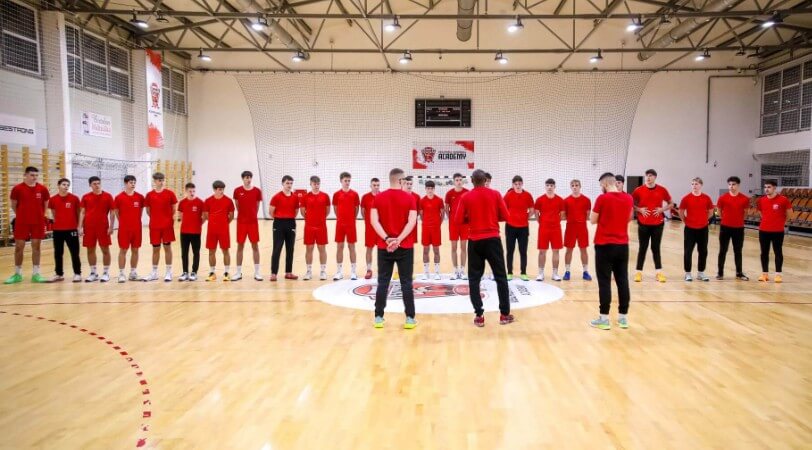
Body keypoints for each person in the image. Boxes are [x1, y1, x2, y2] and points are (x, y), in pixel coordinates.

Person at [455, 169, 514, 327]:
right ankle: (504, 315)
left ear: (472, 181)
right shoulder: (495, 194)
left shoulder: (465, 197)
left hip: (475, 241)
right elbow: (506, 216)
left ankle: (479, 316)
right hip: (493, 240)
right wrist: (493, 216)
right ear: (485, 180)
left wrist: (470, 218)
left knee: (474, 279)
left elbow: (457, 220)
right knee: (501, 277)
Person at [370, 168, 418, 329]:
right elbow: (411, 222)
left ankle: (378, 317)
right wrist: (399, 240)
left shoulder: (378, 198)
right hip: (405, 247)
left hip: (384, 247)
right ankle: (410, 318)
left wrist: (387, 239)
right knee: (406, 282)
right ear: (400, 181)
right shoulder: (410, 198)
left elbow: (374, 221)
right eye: (404, 180)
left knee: (383, 281)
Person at [589, 172, 634, 330]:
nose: (601, 188)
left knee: (604, 282)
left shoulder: (602, 198)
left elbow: (592, 220)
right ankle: (623, 318)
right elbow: (629, 217)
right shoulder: (628, 198)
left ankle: (604, 319)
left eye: (601, 185)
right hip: (622, 245)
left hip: (604, 244)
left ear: (605, 184)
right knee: (623, 281)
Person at [4, 166, 50, 284]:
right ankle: (17, 274)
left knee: (36, 247)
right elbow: (13, 205)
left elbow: (45, 204)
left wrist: (40, 215)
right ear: (25, 175)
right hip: (22, 222)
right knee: (19, 247)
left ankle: (36, 274)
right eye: (32, 175)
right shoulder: (17, 189)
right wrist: (21, 215)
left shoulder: (43, 189)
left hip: (38, 222)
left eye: (36, 175)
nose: (34, 177)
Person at [631, 169, 673, 283]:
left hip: (658, 224)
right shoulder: (638, 190)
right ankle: (638, 272)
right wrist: (639, 209)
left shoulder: (662, 190)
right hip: (643, 223)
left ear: (655, 177)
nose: (648, 178)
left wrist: (662, 209)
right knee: (642, 248)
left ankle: (659, 273)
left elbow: (671, 203)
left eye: (650, 176)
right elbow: (631, 203)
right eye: (646, 176)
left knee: (656, 248)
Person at [79, 176, 115, 282]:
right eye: (94, 184)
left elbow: (112, 212)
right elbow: (82, 212)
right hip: (89, 227)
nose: (97, 185)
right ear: (90, 185)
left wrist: (111, 226)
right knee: (90, 249)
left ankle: (106, 273)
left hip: (103, 227)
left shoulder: (108, 196)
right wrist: (80, 227)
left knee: (105, 249)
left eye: (98, 183)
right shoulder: (85, 197)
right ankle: (93, 273)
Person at [679, 177, 715, 282]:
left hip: (703, 229)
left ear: (701, 185)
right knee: (688, 251)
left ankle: (701, 273)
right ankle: (688, 273)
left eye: (696, 184)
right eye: (693, 184)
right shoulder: (686, 198)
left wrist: (704, 220)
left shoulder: (706, 198)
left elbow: (711, 212)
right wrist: (686, 221)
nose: (694, 186)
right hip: (690, 229)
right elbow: (681, 212)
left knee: (703, 251)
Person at [144, 172, 178, 282]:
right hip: (154, 226)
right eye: (159, 180)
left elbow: (174, 208)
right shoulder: (149, 195)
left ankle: (168, 272)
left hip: (167, 226)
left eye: (163, 180)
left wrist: (167, 219)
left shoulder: (170, 193)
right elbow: (148, 211)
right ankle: (154, 272)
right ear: (155, 181)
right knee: (155, 249)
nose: (161, 182)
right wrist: (156, 219)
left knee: (167, 248)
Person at [756, 180, 791, 283]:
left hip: (777, 231)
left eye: (769, 187)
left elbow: (789, 213)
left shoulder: (783, 200)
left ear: (774, 188)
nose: (766, 189)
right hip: (763, 231)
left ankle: (778, 274)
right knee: (764, 253)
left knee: (778, 252)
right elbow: (761, 212)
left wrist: (782, 222)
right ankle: (764, 274)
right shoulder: (761, 200)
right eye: (765, 187)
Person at [47, 178, 81, 282]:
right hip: (58, 230)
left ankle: (77, 273)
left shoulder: (74, 198)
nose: (66, 187)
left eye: (67, 185)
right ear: (58, 185)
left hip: (72, 229)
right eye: (64, 184)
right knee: (58, 253)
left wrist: (79, 227)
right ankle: (59, 274)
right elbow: (54, 213)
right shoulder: (53, 199)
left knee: (74, 252)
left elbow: (79, 213)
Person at [716, 176, 750, 281]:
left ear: (738, 185)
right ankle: (720, 273)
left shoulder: (745, 199)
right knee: (723, 250)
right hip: (725, 228)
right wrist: (726, 219)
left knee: (738, 251)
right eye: (730, 184)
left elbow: (746, 213)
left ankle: (739, 273)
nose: (731, 186)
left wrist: (738, 220)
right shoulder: (722, 198)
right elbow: (719, 211)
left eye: (733, 184)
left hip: (738, 229)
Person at [113, 175, 144, 283]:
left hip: (137, 228)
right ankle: (121, 273)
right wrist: (123, 222)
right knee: (123, 250)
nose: (133, 184)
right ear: (125, 183)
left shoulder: (140, 197)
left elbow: (140, 211)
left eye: (134, 182)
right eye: (131, 182)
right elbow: (116, 212)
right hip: (124, 229)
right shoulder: (119, 197)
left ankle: (133, 273)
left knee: (135, 250)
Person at [232, 170, 263, 281]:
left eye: (250, 177)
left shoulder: (257, 191)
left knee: (255, 246)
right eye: (246, 177)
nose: (248, 179)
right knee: (240, 246)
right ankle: (238, 272)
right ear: (243, 179)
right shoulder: (237, 191)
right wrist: (244, 216)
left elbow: (257, 206)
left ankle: (257, 272)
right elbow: (237, 206)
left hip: (253, 223)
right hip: (241, 223)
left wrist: (252, 215)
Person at [503, 175, 533, 281]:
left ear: (522, 184)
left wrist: (525, 218)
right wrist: (509, 218)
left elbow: (532, 210)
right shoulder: (508, 195)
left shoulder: (528, 195)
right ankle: (509, 273)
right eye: (516, 184)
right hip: (510, 227)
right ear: (513, 185)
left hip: (523, 228)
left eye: (519, 184)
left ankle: (523, 273)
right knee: (510, 251)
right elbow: (503, 208)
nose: (518, 186)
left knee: (523, 251)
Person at [203, 180, 235, 281]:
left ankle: (226, 272)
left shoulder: (228, 201)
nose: (222, 191)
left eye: (222, 189)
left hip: (224, 231)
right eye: (219, 189)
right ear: (214, 189)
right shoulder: (208, 201)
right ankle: (212, 273)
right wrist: (214, 223)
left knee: (225, 251)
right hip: (211, 231)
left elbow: (231, 216)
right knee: (211, 251)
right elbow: (206, 215)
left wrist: (224, 224)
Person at [269, 175, 299, 281]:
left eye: (291, 183)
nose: (289, 185)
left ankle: (288, 272)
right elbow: (271, 212)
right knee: (277, 248)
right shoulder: (276, 197)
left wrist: (288, 218)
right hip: (279, 223)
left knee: (290, 249)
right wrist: (280, 218)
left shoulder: (295, 197)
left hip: (291, 223)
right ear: (282, 183)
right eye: (287, 183)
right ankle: (273, 273)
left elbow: (296, 211)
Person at [534, 178, 565, 281]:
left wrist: (555, 222)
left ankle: (555, 274)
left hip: (556, 229)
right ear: (545, 187)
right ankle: (540, 274)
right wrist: (542, 223)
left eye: (551, 185)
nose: (549, 187)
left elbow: (562, 214)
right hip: (543, 229)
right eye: (547, 185)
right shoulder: (539, 199)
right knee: (542, 251)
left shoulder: (560, 200)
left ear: (554, 187)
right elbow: (536, 213)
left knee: (556, 251)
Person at [301, 176, 330, 281]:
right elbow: (302, 211)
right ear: (311, 184)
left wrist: (320, 219)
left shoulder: (325, 196)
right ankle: (308, 271)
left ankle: (323, 271)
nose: (316, 185)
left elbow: (327, 211)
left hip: (321, 227)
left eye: (318, 184)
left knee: (322, 248)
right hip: (309, 227)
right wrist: (310, 220)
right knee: (309, 249)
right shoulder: (305, 197)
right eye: (314, 184)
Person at [332, 172, 360, 280]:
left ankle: (353, 272)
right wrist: (341, 218)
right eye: (345, 181)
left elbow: (356, 209)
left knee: (351, 246)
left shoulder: (355, 194)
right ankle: (339, 272)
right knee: (339, 246)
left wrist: (351, 219)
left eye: (349, 181)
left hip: (351, 224)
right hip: (340, 224)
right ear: (341, 181)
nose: (347, 182)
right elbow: (335, 208)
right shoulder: (336, 194)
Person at [563, 179, 592, 281]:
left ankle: (585, 271)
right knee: (569, 250)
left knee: (583, 250)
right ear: (570, 187)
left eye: (576, 185)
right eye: (573, 185)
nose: (574, 187)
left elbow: (587, 215)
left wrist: (580, 220)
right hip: (570, 227)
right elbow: (564, 215)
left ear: (580, 187)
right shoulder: (566, 200)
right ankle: (567, 271)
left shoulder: (586, 200)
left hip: (582, 228)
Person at [178, 182, 205, 281]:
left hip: (196, 232)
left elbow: (204, 216)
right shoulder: (182, 203)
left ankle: (194, 272)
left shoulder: (200, 202)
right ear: (186, 191)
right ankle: (185, 272)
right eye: (190, 191)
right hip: (184, 232)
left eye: (193, 191)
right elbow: (180, 215)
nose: (192, 193)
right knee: (184, 252)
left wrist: (198, 224)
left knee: (196, 252)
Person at [445, 173, 469, 280]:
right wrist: (452, 219)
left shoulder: (467, 192)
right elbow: (446, 208)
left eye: (460, 180)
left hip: (465, 225)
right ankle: (455, 271)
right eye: (457, 180)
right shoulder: (449, 193)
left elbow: (470, 207)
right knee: (453, 247)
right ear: (454, 181)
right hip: (453, 225)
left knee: (463, 247)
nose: (459, 182)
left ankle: (462, 271)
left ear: (462, 181)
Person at [419, 180, 444, 280]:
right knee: (425, 250)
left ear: (434, 189)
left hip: (436, 230)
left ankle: (437, 272)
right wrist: (426, 223)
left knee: (436, 250)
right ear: (425, 189)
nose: (430, 190)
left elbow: (442, 214)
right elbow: (421, 214)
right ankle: (426, 273)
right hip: (425, 229)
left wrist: (437, 224)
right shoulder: (422, 201)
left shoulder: (439, 200)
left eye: (431, 188)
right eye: (428, 188)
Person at [360, 178, 381, 279]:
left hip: (381, 229)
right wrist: (369, 222)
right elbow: (363, 211)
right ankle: (369, 270)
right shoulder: (365, 197)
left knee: (382, 250)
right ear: (370, 186)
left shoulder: (383, 196)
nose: (376, 187)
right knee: (369, 248)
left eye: (378, 185)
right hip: (370, 229)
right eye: (374, 185)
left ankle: (382, 270)